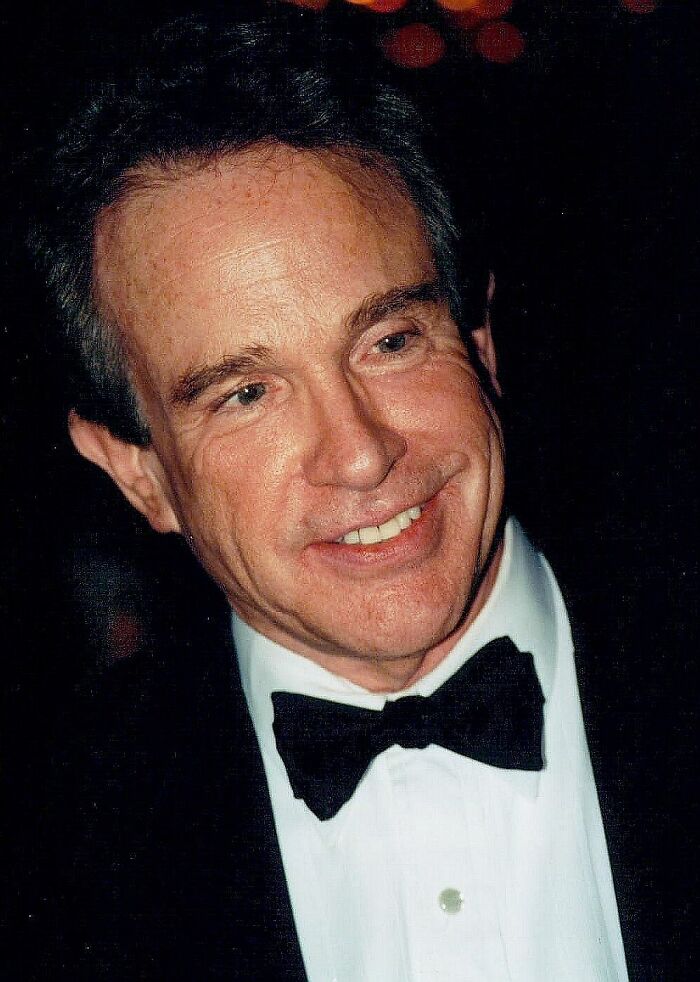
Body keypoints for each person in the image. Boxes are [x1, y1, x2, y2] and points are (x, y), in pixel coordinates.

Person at [6, 10, 672, 981]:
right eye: (245, 394)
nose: (360, 455)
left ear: (480, 341)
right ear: (137, 471)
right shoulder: (50, 853)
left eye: (390, 341)